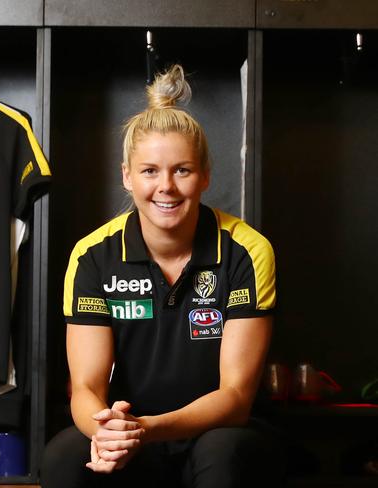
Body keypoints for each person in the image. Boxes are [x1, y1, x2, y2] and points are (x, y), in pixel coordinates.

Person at [41, 65, 285, 488]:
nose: (166, 187)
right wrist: (106, 432)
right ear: (127, 176)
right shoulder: (92, 256)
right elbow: (84, 387)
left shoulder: (247, 250)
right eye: (150, 170)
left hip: (221, 432)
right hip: (133, 432)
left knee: (223, 454)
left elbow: (236, 398)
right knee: (64, 457)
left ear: (205, 175)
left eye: (182, 170)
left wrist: (147, 428)